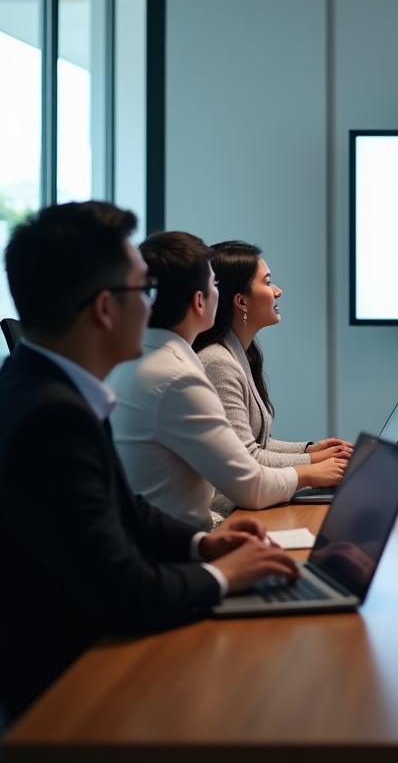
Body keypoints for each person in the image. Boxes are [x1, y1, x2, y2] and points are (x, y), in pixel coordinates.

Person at [0, 203, 300, 722]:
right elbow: (123, 590)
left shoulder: (46, 389)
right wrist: (226, 575)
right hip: (73, 692)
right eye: (144, 291)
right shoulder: (52, 417)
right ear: (104, 309)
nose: (155, 306)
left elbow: (125, 508)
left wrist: (202, 542)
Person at [108, 232, 347, 530]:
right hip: (177, 546)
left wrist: (309, 455)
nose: (219, 296)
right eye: (214, 286)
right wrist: (312, 472)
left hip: (163, 537)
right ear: (199, 301)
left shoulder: (138, 362)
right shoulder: (179, 376)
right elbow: (251, 483)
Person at [194, 241, 346, 514]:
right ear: (241, 301)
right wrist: (314, 466)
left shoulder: (241, 352)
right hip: (231, 509)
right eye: (268, 283)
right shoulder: (218, 362)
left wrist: (311, 450)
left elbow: (256, 442)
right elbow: (248, 458)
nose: (277, 291)